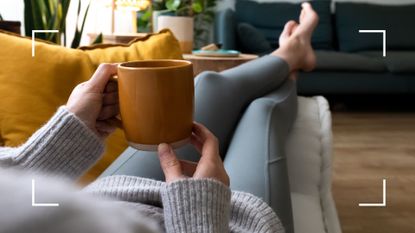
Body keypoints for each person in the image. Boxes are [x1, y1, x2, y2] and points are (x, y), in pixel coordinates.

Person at [0, 3, 318, 233]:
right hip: (207, 222)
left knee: (207, 83)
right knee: (262, 109)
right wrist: (200, 215)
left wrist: (65, 137)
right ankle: (291, 63)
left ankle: (290, 55)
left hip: (112, 198)